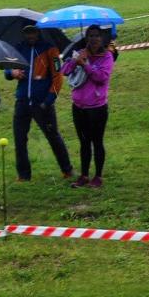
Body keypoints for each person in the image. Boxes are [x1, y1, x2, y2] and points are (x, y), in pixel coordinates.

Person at [3, 24, 73, 182]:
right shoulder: (18, 48)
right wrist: (12, 72)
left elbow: (58, 78)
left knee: (53, 136)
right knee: (19, 139)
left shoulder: (50, 49)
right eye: (27, 32)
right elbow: (7, 70)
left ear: (38, 32)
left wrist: (48, 101)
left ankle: (67, 170)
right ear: (23, 33)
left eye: (33, 32)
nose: (30, 35)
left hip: (42, 104)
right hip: (22, 102)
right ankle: (23, 175)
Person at [61, 24, 115, 189]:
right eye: (90, 36)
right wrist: (76, 61)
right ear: (86, 38)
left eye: (97, 35)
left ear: (102, 38)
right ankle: (84, 175)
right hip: (79, 107)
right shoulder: (80, 53)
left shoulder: (107, 56)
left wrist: (85, 65)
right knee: (84, 142)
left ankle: (98, 176)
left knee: (97, 142)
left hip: (97, 108)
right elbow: (64, 71)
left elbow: (101, 77)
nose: (94, 39)